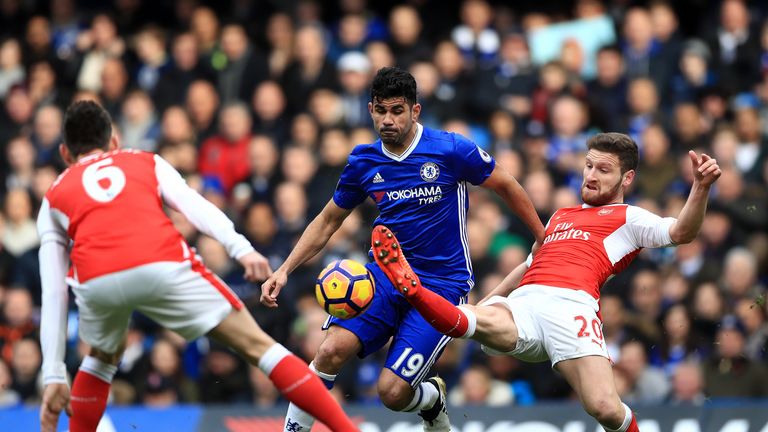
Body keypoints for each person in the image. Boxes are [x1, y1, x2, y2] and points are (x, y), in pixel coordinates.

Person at [37, 101, 357, 432]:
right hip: (160, 262)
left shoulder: (54, 194)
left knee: (102, 360)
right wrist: (241, 249)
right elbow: (194, 206)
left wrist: (54, 373)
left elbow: (53, 291)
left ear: (64, 153)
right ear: (114, 141)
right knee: (258, 346)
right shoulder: (143, 161)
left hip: (97, 280)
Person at [371, 132, 721, 432]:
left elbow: (681, 232)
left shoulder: (628, 217)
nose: (591, 176)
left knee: (605, 409)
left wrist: (701, 187)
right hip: (524, 303)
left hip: (572, 308)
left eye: (603, 170)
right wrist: (483, 301)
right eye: (588, 166)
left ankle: (418, 292)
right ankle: (414, 289)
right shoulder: (560, 216)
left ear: (626, 179)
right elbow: (527, 265)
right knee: (469, 319)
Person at [261, 67, 544, 432]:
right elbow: (329, 220)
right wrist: (284, 269)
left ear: (416, 110)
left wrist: (540, 235)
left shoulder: (451, 149)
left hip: (441, 285)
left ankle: (433, 400)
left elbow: (506, 184)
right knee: (329, 351)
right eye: (381, 110)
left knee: (392, 394)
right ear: (370, 110)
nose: (388, 120)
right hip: (384, 276)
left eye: (397, 110)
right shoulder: (363, 162)